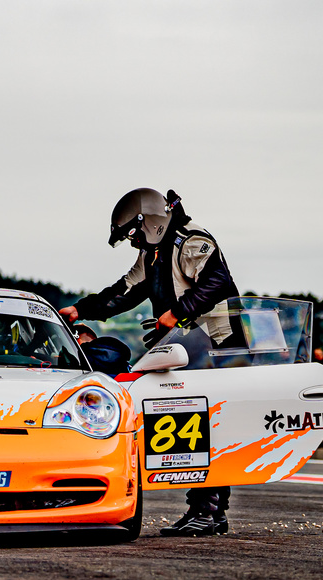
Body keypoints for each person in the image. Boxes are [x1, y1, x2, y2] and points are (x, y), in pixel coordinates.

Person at [59, 188, 240, 539]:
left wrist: (176, 313)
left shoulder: (191, 240)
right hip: (190, 349)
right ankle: (209, 511)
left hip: (219, 347)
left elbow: (219, 282)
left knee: (208, 427)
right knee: (198, 426)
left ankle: (207, 510)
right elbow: (124, 291)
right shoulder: (153, 253)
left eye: (133, 233)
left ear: (149, 221)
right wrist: (82, 309)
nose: (133, 241)